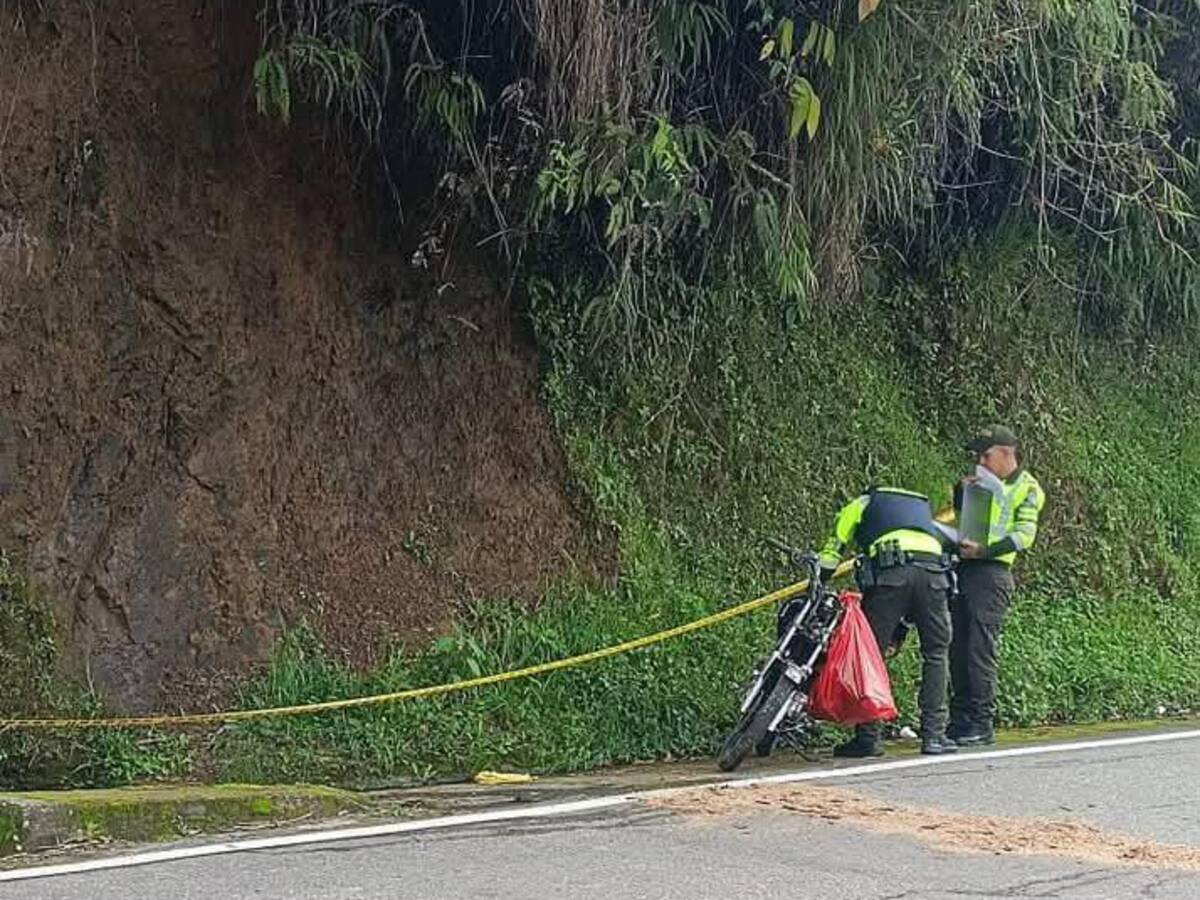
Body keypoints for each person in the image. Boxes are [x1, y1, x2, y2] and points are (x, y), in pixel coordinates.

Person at [819, 487, 959, 757]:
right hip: (934, 575)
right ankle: (934, 736)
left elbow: (833, 549)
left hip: (892, 574)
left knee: (871, 655)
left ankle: (868, 738)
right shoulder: (922, 509)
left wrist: (821, 575)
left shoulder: (862, 504)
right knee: (936, 654)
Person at [949, 425, 1046, 746]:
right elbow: (966, 522)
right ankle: (959, 719)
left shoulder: (1027, 487)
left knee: (980, 648)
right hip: (965, 568)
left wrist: (985, 551)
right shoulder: (981, 482)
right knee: (957, 646)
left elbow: (1024, 536)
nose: (981, 461)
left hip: (992, 572)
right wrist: (961, 492)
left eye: (986, 455)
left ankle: (981, 721)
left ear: (1006, 452)